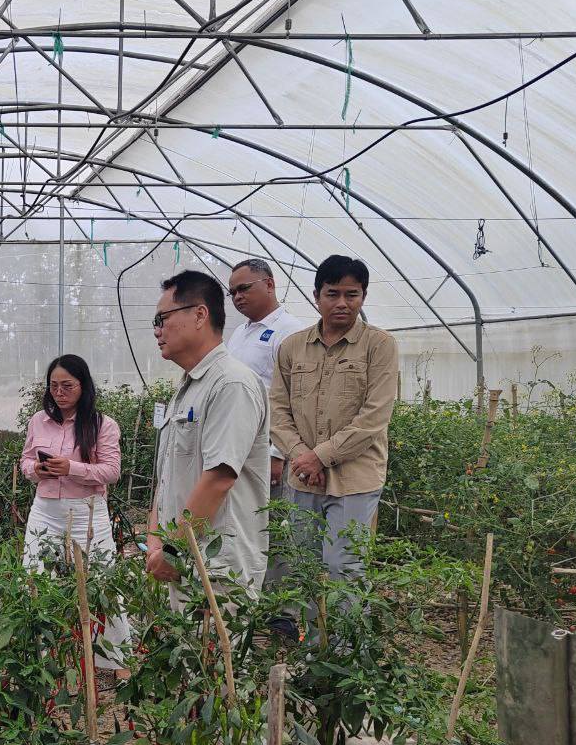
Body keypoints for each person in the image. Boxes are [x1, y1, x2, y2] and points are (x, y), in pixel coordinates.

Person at [270, 255, 398, 581]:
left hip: (355, 478)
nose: (342, 303)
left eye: (351, 294)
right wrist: (302, 457)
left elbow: (374, 417)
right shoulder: (292, 347)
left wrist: (319, 457)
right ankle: (313, 621)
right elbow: (277, 411)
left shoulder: (379, 345)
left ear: (363, 296)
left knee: (344, 567)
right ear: (316, 296)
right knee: (304, 566)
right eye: (332, 294)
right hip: (304, 477)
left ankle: (347, 620)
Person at [145, 271, 271, 595]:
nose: (157, 330)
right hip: (183, 560)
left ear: (200, 315)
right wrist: (156, 541)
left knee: (216, 633)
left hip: (218, 569)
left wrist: (173, 551)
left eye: (162, 319)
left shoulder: (231, 384)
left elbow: (219, 478)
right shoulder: (187, 389)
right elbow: (167, 477)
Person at [19, 354, 130, 676]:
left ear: (83, 386)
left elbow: (111, 471)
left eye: (67, 386)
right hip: (45, 511)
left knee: (105, 583)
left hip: (87, 513)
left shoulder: (102, 425)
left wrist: (71, 468)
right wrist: (37, 469)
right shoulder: (38, 421)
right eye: (54, 386)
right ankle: (41, 658)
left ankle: (118, 660)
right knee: (34, 579)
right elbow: (25, 462)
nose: (59, 392)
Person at [223, 258, 308, 494]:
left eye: (244, 288)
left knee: (270, 509)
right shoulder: (240, 332)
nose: (237, 296)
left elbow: (297, 396)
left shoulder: (290, 331)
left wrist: (277, 453)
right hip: (239, 439)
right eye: (232, 292)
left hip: (269, 443)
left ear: (269, 284)